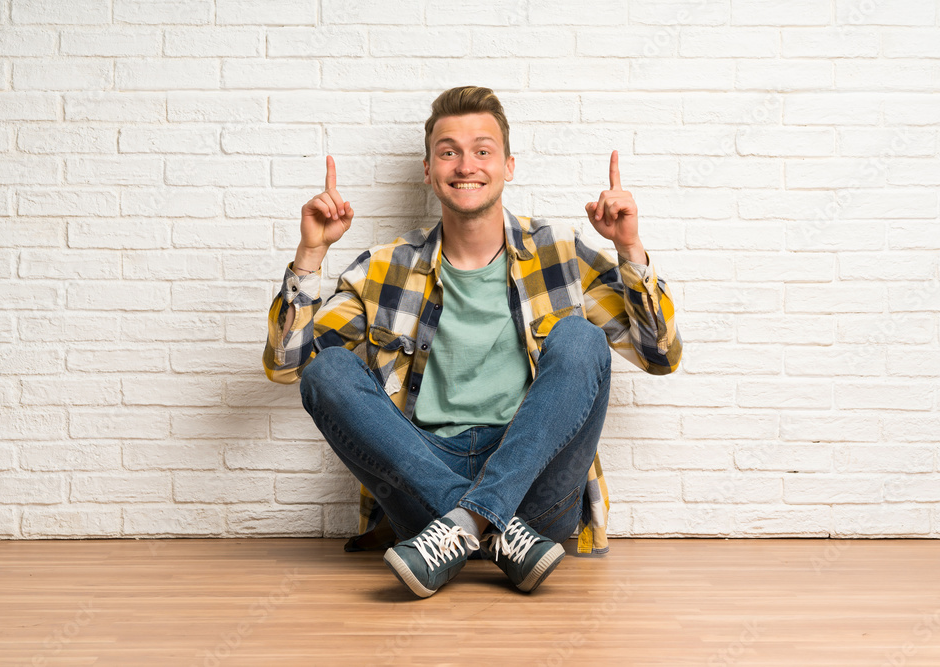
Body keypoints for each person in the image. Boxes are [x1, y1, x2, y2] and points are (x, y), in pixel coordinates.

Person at [263, 85, 682, 598]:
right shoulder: (384, 267)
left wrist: (629, 247)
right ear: (428, 169)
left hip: (533, 485)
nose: (466, 165)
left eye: (482, 151)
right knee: (326, 371)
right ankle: (490, 530)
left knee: (580, 338)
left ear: (508, 165)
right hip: (424, 483)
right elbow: (288, 365)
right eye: (449, 152)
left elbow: (660, 355)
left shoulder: (560, 253)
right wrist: (310, 255)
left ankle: (466, 525)